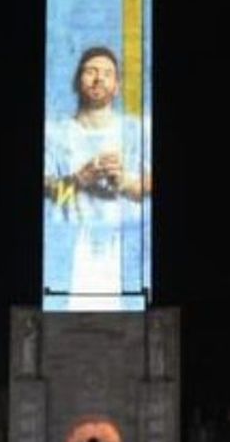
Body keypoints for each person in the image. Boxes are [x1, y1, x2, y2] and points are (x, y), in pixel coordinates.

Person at [42, 46, 151, 307]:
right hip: (71, 254)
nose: (98, 78)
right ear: (78, 80)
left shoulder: (137, 130)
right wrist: (80, 180)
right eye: (91, 71)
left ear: (117, 85)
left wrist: (124, 181)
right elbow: (50, 191)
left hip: (122, 253)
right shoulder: (54, 134)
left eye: (107, 73)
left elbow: (142, 189)